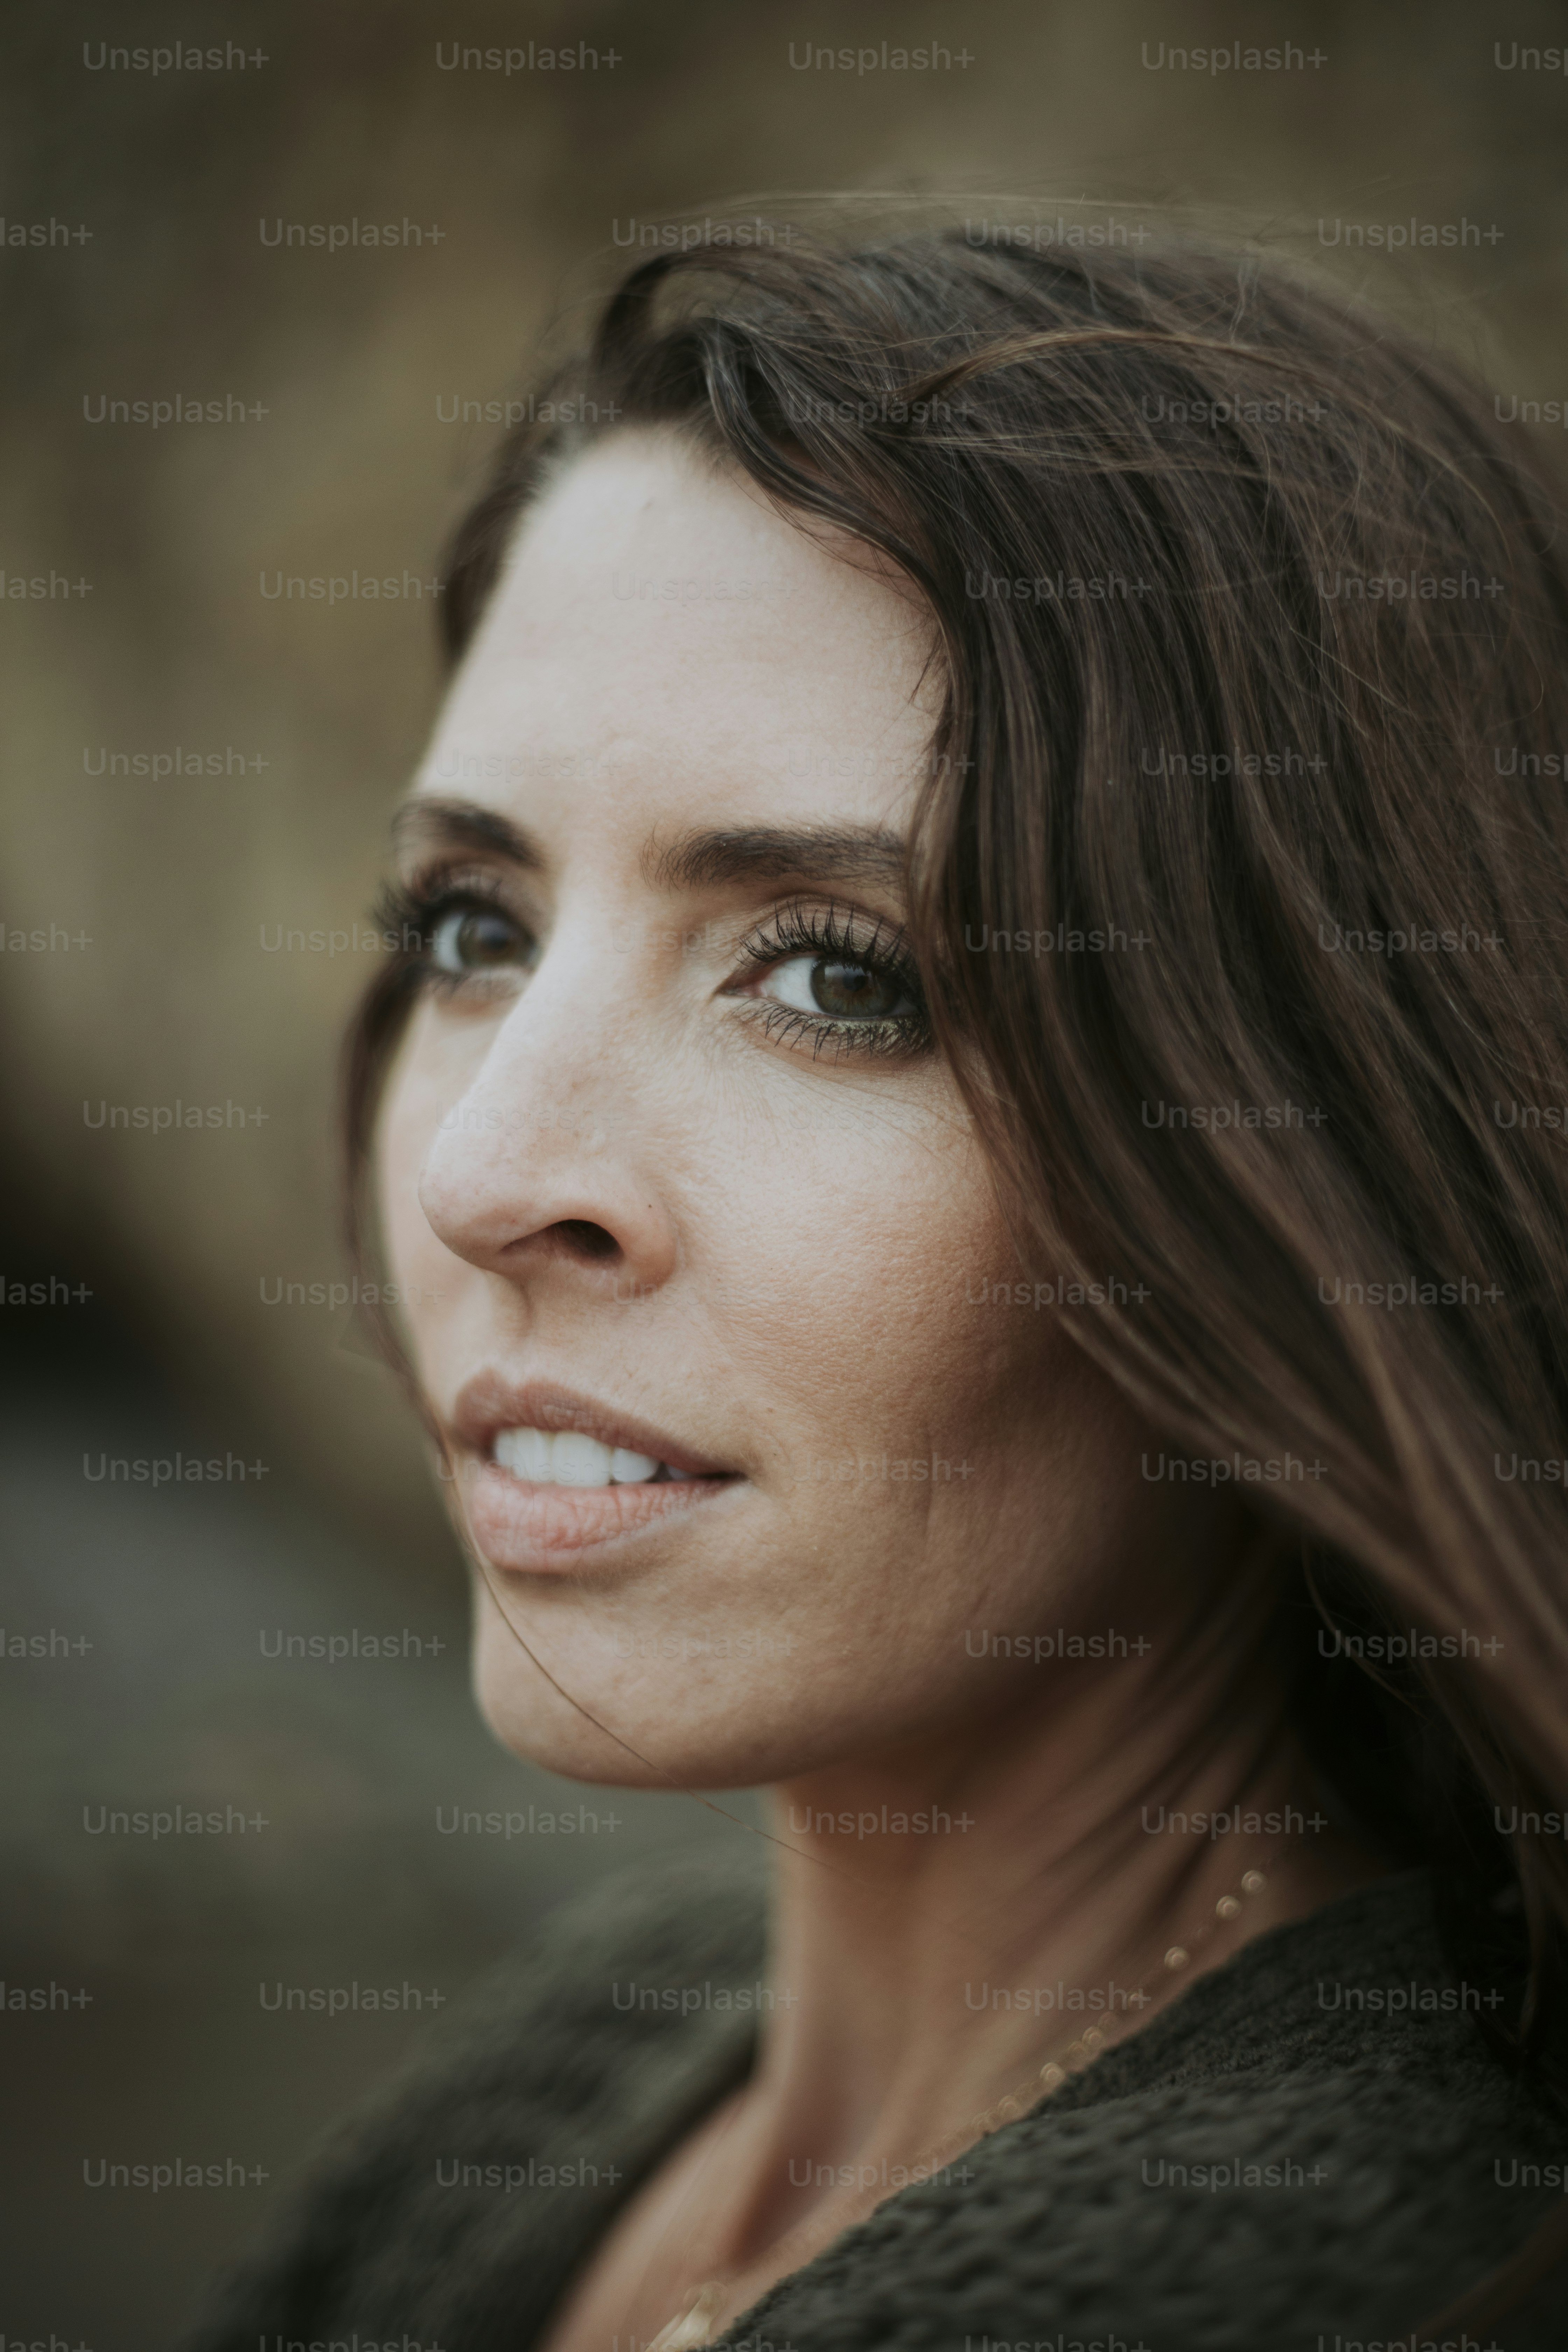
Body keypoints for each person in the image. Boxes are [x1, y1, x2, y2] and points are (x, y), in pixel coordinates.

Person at [182, 219, 1568, 2351]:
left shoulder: (1322, 2278)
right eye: (475, 928)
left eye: (839, 978)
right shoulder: (596, 2059)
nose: (483, 1177)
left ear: (1312, 1161)